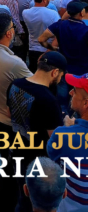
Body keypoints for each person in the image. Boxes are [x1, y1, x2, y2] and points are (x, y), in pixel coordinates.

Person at [0, 13, 32, 212]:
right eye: (12, 26)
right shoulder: (14, 62)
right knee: (14, 169)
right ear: (9, 33)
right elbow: (35, 85)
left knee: (8, 163)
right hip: (10, 122)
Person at [7, 51, 67, 210]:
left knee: (23, 197)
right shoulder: (48, 100)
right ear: (54, 72)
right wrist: (66, 125)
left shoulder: (15, 84)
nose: (60, 79)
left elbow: (9, 113)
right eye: (60, 76)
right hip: (38, 163)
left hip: (17, 151)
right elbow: (55, 139)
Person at [47, 72, 88, 211]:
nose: (71, 92)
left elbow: (51, 157)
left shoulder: (63, 135)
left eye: (75, 91)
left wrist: (69, 128)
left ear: (85, 103)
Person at [38, 0, 88, 111]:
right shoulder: (85, 29)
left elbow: (41, 39)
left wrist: (53, 48)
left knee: (62, 101)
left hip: (63, 70)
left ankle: (62, 120)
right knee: (81, 102)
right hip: (81, 72)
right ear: (82, 13)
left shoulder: (60, 24)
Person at [22, 0, 60, 72]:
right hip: (48, 49)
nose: (50, 0)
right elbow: (58, 32)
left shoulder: (25, 13)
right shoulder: (53, 14)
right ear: (44, 0)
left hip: (32, 49)